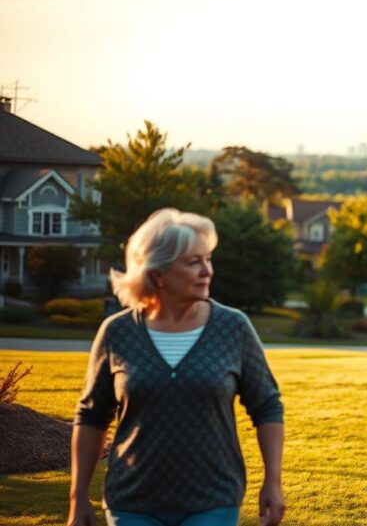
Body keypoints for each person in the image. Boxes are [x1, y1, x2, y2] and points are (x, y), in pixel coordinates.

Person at [67, 208, 285, 526]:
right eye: (193, 262)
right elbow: (91, 415)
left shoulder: (233, 327)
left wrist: (273, 481)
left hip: (214, 500)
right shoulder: (117, 332)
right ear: (158, 273)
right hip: (132, 501)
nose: (207, 270)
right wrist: (77, 497)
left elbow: (267, 406)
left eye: (208, 259)